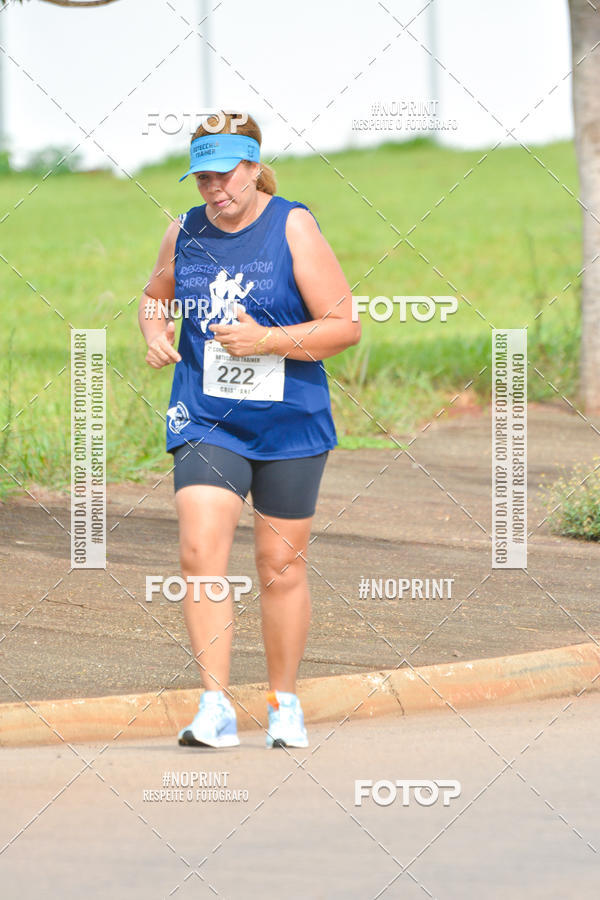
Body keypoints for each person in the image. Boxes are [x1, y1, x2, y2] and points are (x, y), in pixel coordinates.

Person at [138, 112, 360, 749]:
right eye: (201, 177)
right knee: (200, 550)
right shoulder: (183, 229)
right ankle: (214, 707)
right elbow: (157, 295)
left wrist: (266, 340)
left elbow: (344, 327)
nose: (213, 189)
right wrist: (156, 333)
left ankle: (283, 702)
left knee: (279, 567)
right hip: (209, 418)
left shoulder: (292, 224)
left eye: (224, 174)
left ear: (254, 167)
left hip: (291, 420)